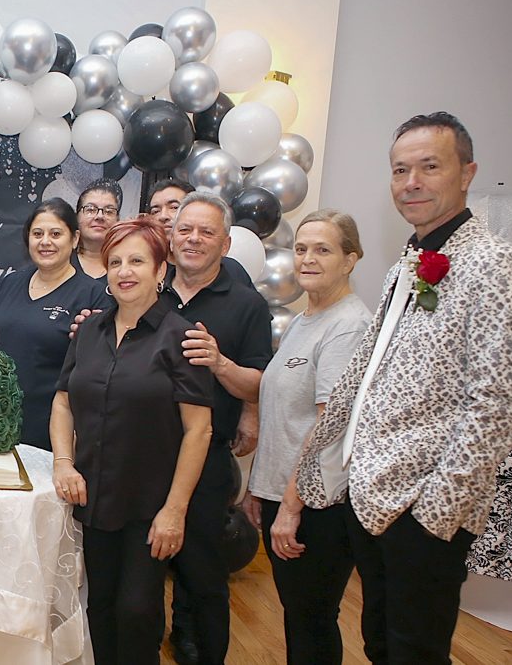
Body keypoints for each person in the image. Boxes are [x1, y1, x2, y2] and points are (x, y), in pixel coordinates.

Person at [294, 112, 512, 664]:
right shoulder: (408, 263)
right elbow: (369, 371)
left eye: (429, 166)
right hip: (372, 495)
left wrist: (438, 511)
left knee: (414, 654)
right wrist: (318, 463)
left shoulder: (499, 264)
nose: (412, 182)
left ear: (467, 173)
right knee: (380, 646)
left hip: (425, 509)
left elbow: (496, 402)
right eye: (401, 170)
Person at [51, 218, 213, 665]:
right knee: (100, 607)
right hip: (95, 497)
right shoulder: (88, 331)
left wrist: (175, 510)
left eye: (138, 261)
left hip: (151, 505)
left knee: (137, 611)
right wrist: (63, 463)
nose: (125, 271)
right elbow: (63, 401)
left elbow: (200, 429)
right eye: (115, 261)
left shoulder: (182, 336)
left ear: (161, 270)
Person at [241, 209, 371, 665]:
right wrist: (262, 487)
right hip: (283, 492)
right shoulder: (303, 320)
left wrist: (291, 506)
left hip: (317, 505)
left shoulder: (348, 326)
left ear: (350, 259)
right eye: (301, 248)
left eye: (323, 249)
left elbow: (328, 427)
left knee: (312, 618)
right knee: (299, 616)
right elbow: (281, 413)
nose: (308, 258)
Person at [162, 191, 273, 665]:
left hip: (206, 458)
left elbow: (258, 385)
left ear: (225, 244)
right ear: (170, 239)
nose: (193, 239)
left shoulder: (247, 305)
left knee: (201, 573)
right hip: (144, 453)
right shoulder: (148, 289)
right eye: (185, 230)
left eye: (206, 232)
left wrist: (220, 362)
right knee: (144, 570)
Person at [0, 198, 110, 451]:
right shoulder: (10, 283)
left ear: (75, 239)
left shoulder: (93, 296)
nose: (45, 242)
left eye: (56, 234)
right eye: (37, 234)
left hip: (51, 430)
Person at [145, 177, 253, 288]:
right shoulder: (144, 270)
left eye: (174, 207)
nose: (163, 216)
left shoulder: (231, 270)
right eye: (155, 211)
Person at [72, 178, 123, 279]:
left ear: (118, 220)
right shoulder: (60, 261)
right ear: (77, 217)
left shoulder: (126, 265)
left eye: (109, 211)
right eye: (91, 209)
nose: (100, 216)